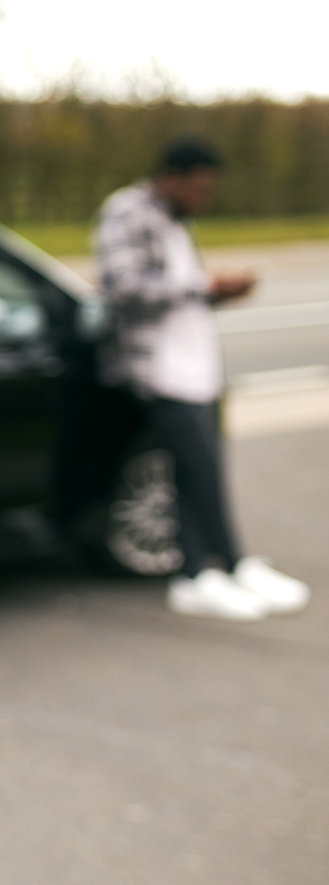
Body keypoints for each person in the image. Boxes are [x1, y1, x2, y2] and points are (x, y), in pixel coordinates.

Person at [94, 136, 310, 621]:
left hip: (197, 369)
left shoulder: (175, 221)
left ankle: (212, 569)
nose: (203, 198)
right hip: (158, 370)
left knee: (198, 470)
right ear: (172, 177)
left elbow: (177, 294)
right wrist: (204, 284)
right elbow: (122, 289)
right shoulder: (129, 212)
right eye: (198, 187)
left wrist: (217, 294)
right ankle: (212, 567)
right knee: (197, 468)